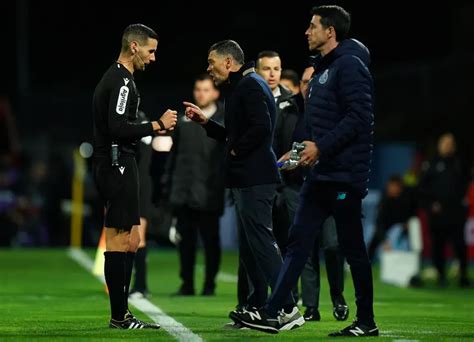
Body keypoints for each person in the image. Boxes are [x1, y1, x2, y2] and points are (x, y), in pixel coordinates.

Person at [232, 5, 378, 336]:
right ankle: (274, 312)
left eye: (312, 26)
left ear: (330, 32)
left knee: (350, 248)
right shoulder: (322, 70)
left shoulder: (350, 66)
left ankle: (366, 320)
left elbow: (359, 119)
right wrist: (296, 153)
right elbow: (316, 126)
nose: (306, 32)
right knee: (297, 243)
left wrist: (320, 148)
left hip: (343, 177)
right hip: (319, 176)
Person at [183, 40, 304, 331]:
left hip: (255, 178)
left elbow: (262, 129)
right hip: (248, 177)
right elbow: (236, 133)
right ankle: (256, 307)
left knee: (261, 242)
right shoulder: (246, 85)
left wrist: (237, 149)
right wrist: (206, 123)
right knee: (251, 247)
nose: (208, 67)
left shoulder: (249, 86)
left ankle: (287, 307)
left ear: (228, 62)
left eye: (212, 61)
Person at [92, 23, 177, 329]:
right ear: (134, 47)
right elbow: (117, 127)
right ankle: (119, 316)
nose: (153, 58)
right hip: (117, 165)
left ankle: (122, 314)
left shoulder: (119, 79)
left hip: (118, 164)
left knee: (130, 239)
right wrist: (155, 125)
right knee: (118, 239)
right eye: (150, 51)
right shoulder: (122, 82)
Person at [165, 74, 225, 296]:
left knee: (211, 242)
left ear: (216, 93)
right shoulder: (183, 120)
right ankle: (187, 284)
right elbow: (174, 156)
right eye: (198, 89)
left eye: (206, 89)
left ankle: (209, 284)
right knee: (186, 242)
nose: (201, 93)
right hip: (184, 192)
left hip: (210, 192)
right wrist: (169, 186)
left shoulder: (223, 120)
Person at [418, 133, 470, 287]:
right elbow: (422, 188)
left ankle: (463, 276)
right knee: (438, 245)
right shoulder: (431, 164)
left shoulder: (460, 163)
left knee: (460, 244)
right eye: (445, 143)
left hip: (456, 211)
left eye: (451, 143)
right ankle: (441, 276)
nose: (448, 146)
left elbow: (466, 183)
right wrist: (431, 204)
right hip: (437, 212)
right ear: (439, 145)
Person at [128, 111, 154, 299]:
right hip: (135, 182)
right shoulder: (138, 120)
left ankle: (140, 285)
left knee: (138, 235)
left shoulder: (138, 121)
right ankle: (137, 284)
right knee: (132, 235)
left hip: (140, 184)